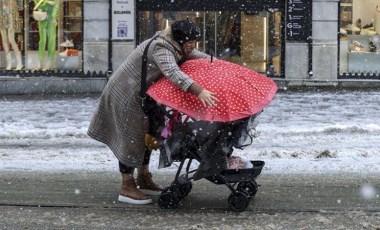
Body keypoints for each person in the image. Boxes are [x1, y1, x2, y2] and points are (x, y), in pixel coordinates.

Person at [88, 19, 219, 205]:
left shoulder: (175, 47)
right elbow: (173, 73)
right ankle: (126, 186)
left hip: (145, 96)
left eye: (194, 43)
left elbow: (196, 55)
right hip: (126, 95)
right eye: (190, 43)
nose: (193, 46)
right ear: (180, 40)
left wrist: (221, 65)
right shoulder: (160, 47)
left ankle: (143, 178)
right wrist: (199, 91)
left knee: (150, 136)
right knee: (131, 139)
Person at [33, 0, 59, 71]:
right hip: (42, 17)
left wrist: (54, 16)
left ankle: (50, 61)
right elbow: (38, 4)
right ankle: (40, 60)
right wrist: (46, 2)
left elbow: (56, 4)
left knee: (51, 40)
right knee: (42, 40)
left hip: (51, 18)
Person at [0, 0, 23, 70]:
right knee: (4, 40)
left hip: (11, 12)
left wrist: (17, 10)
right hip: (1, 12)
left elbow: (20, 4)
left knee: (11, 39)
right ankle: (9, 63)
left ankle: (19, 62)